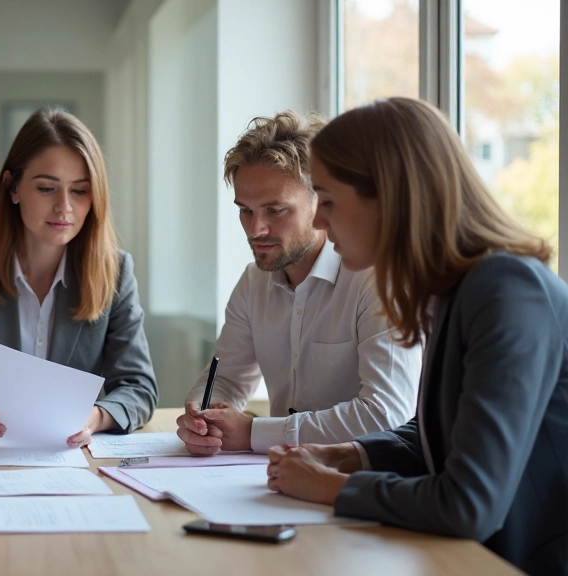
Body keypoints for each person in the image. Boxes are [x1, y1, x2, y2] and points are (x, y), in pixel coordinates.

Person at [266, 97, 568, 575]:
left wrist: (329, 487)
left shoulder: (508, 292)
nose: (319, 222)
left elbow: (469, 504)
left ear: (389, 197)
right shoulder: (456, 291)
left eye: (327, 201)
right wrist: (354, 454)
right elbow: (447, 434)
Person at [175, 111, 420, 455]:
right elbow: (226, 378)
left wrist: (255, 433)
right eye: (245, 210)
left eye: (275, 210)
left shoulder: (376, 279)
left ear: (321, 201)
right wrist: (204, 420)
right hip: (280, 479)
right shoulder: (253, 282)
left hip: (361, 482)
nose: (255, 229)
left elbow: (387, 414)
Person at [0, 108, 157, 446]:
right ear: (12, 188)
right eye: (46, 189)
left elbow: (138, 389)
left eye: (79, 191)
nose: (64, 207)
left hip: (71, 461)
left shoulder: (114, 272)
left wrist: (96, 416)